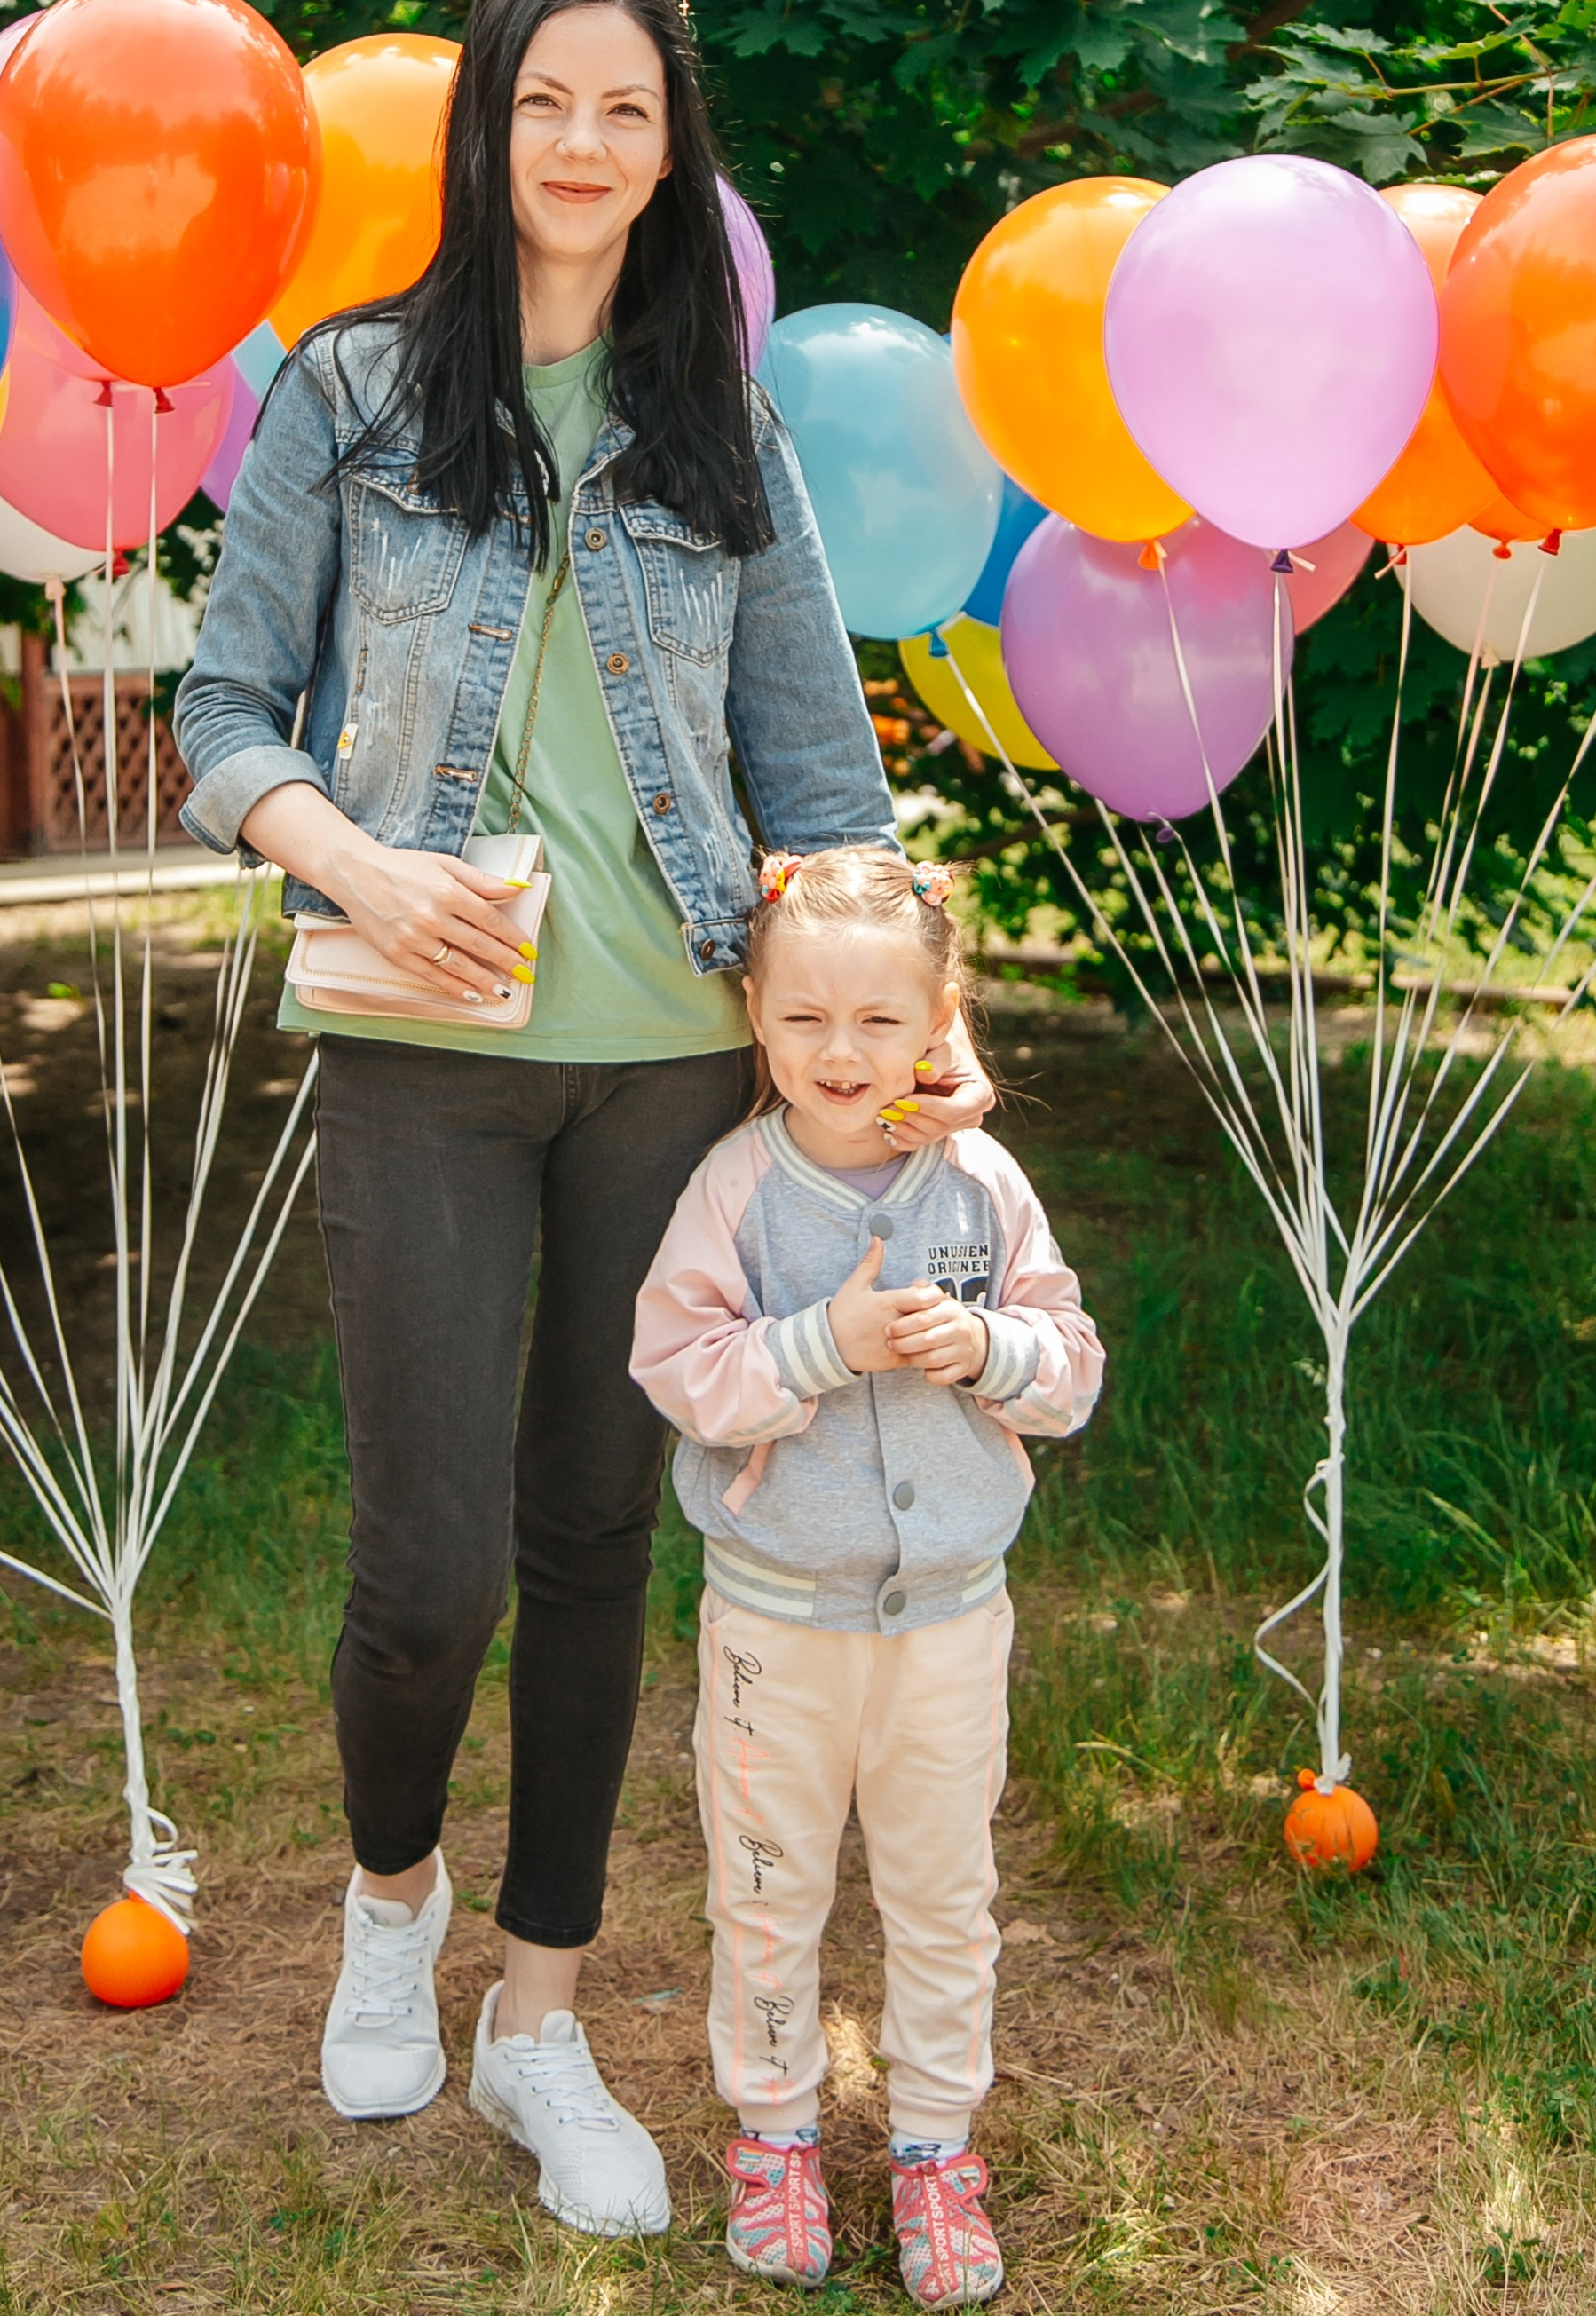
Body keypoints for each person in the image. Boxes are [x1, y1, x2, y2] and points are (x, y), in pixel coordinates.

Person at [171, 0, 993, 2238]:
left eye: (625, 108)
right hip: (415, 1054)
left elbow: (819, 780)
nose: (581, 140)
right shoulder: (346, 391)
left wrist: (910, 1007)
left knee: (596, 1535)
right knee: (426, 1570)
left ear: (666, 149)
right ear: (489, 127)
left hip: (670, 1068)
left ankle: (538, 2010)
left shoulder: (725, 430)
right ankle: (392, 1893)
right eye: (545, 100)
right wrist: (350, 852)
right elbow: (219, 710)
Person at [630, 843, 1103, 2306]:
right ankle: (773, 2134)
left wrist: (994, 1350)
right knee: (766, 1886)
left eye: (877, 1020)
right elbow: (676, 1367)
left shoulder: (981, 1186)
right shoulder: (734, 1188)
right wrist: (818, 1345)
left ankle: (933, 2148)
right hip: (775, 1622)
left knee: (942, 1891)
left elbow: (1070, 1368)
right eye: (804, 1019)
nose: (840, 1052)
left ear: (937, 1020)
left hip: (949, 1623)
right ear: (755, 1018)